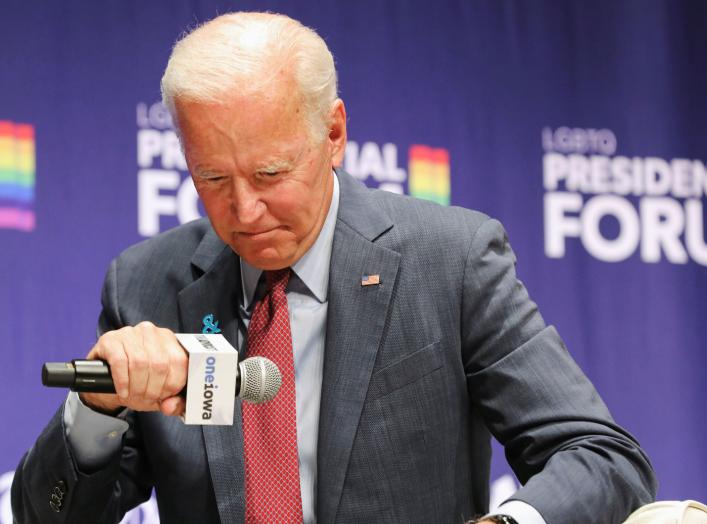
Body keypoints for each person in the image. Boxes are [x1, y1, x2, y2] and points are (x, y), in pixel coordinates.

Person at [11, 11, 656, 524]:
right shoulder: (147, 282)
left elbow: (601, 458)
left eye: (270, 173)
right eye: (210, 177)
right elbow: (47, 517)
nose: (244, 209)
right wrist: (97, 406)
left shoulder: (450, 261)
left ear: (334, 134)